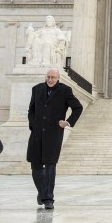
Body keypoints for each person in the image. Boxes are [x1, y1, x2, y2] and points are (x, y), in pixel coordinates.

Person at [27, 68, 83, 209]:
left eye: (53, 77)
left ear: (58, 78)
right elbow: (31, 109)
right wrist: (33, 124)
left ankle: (48, 199)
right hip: (37, 133)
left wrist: (68, 122)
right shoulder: (37, 89)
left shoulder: (65, 90)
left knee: (50, 166)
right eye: (48, 77)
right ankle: (42, 192)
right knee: (35, 166)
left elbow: (78, 107)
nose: (50, 80)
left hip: (53, 134)